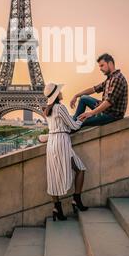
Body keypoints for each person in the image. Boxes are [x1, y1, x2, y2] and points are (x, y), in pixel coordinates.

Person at [41, 82, 88, 222]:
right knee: (80, 168)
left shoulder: (47, 110)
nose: (62, 92)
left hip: (51, 144)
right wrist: (82, 120)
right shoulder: (60, 108)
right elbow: (72, 125)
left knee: (53, 176)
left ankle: (57, 207)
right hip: (62, 142)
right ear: (57, 95)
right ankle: (76, 199)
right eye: (60, 91)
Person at [71, 53, 128, 127]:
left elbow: (108, 102)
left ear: (110, 63)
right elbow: (94, 89)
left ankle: (73, 124)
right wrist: (76, 95)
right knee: (83, 98)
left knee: (81, 121)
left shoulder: (117, 79)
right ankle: (73, 121)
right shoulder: (110, 78)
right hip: (106, 110)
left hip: (112, 115)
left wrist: (91, 113)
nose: (100, 69)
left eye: (102, 65)